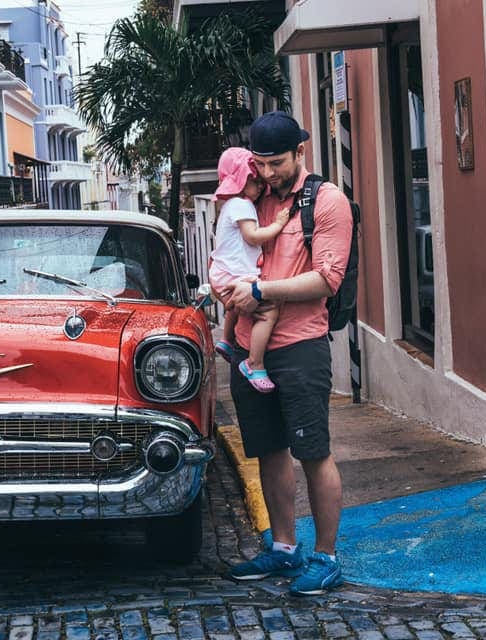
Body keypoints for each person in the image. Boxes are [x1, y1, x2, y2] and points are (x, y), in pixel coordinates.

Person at [215, 111, 352, 596]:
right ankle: (284, 548)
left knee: (313, 452)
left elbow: (326, 279)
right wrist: (230, 289)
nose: (269, 173)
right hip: (249, 351)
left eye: (276, 163)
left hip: (300, 347)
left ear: (300, 153)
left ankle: (326, 556)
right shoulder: (249, 202)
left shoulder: (326, 201)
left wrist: (260, 288)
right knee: (268, 453)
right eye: (261, 164)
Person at [209, 147, 290, 393]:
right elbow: (253, 237)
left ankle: (226, 340)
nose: (260, 185)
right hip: (234, 274)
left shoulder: (228, 206)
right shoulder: (242, 205)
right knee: (268, 312)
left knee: (236, 304)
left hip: (222, 271)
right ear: (242, 181)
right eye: (254, 180)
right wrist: (278, 225)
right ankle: (254, 363)